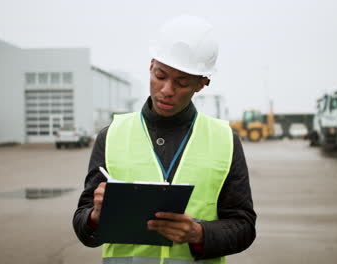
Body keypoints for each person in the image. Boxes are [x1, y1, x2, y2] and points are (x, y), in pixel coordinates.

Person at [73, 15, 256, 264]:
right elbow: (83, 226)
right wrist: (95, 216)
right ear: (150, 66)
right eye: (160, 75)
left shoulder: (225, 140)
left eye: (182, 82)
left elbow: (244, 227)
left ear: (201, 84)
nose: (167, 90)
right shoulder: (111, 135)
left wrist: (199, 234)